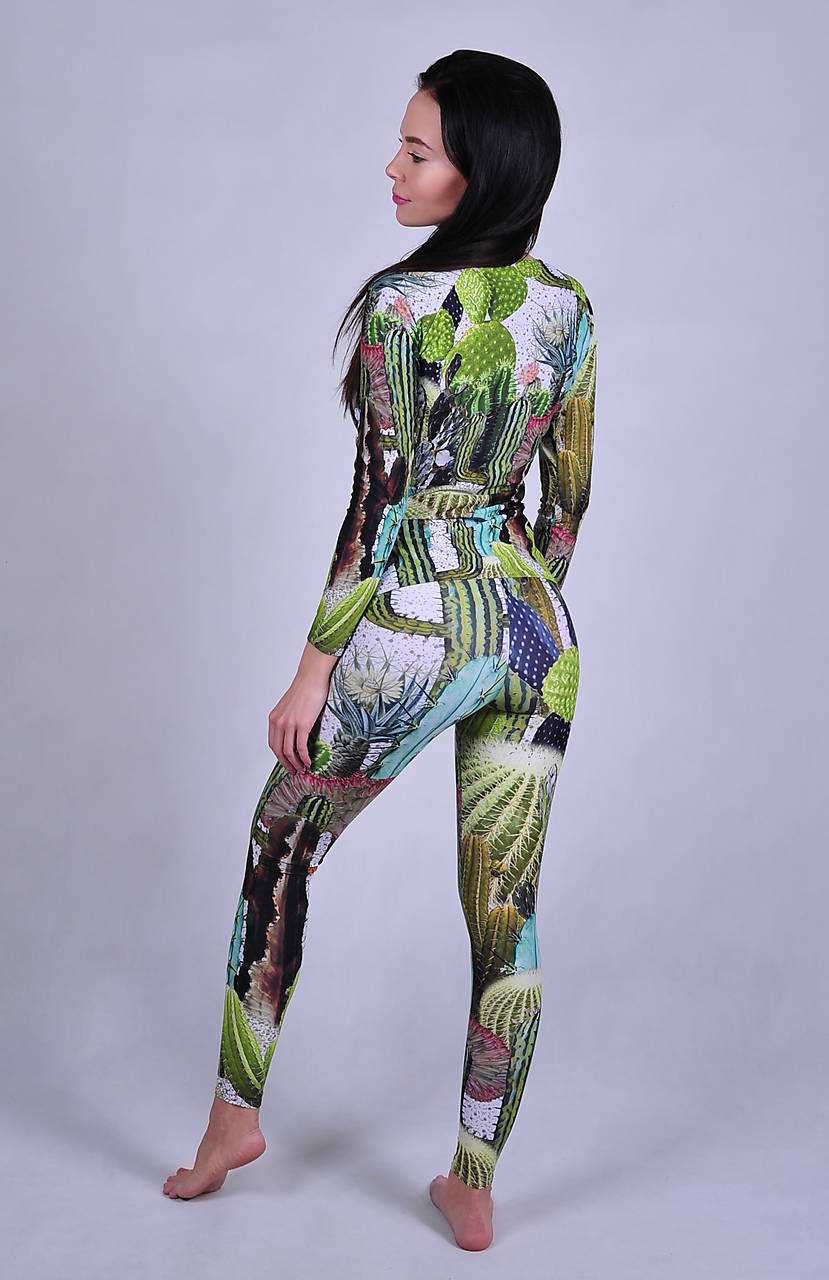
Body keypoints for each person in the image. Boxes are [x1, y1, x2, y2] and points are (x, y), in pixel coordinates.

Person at [163, 48, 597, 1253]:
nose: (391, 169)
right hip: (536, 629)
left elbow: (378, 506)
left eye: (416, 151)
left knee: (280, 844)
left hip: (415, 622)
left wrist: (315, 671)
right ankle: (474, 1180)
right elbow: (566, 504)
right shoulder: (569, 306)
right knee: (504, 904)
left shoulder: (401, 308)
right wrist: (517, 620)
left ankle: (233, 1119)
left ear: (479, 171)